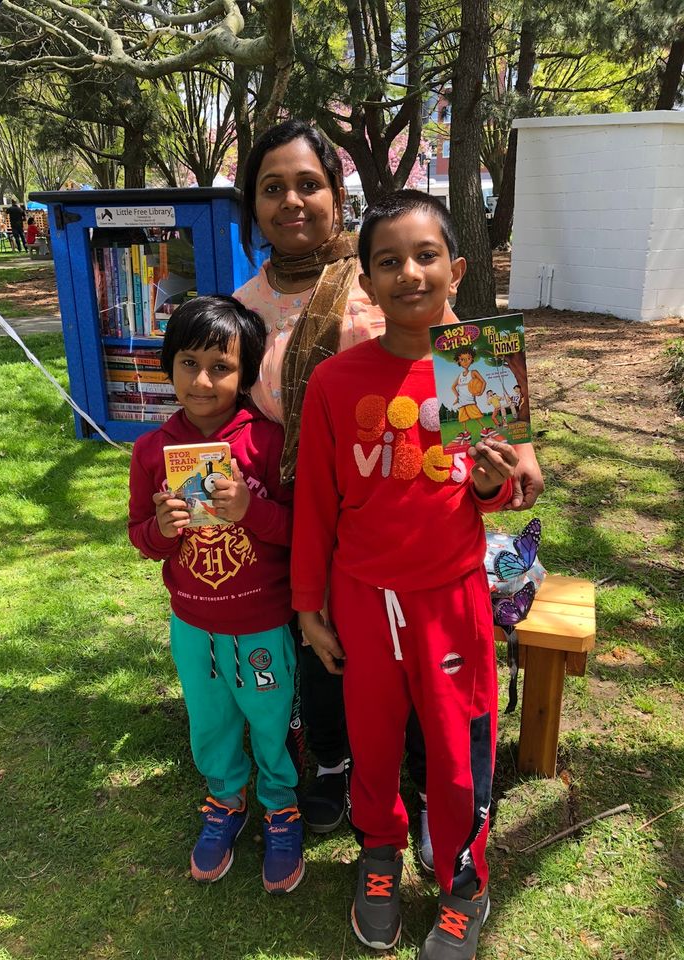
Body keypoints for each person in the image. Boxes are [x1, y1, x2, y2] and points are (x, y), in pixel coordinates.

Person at [292, 190, 519, 959]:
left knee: (458, 758)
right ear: (366, 280)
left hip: (451, 600)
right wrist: (307, 605)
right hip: (359, 599)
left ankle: (465, 882)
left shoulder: (476, 364)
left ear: (456, 270)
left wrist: (494, 482)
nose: (409, 274)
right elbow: (316, 506)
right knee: (374, 742)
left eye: (426, 257)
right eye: (388, 261)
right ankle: (381, 851)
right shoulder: (335, 382)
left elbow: (519, 480)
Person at [233, 119, 431, 854]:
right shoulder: (243, 306)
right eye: (272, 187)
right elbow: (224, 412)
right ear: (252, 205)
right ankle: (332, 758)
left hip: (401, 504)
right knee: (315, 640)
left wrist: (505, 456)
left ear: (336, 193)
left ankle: (416, 765)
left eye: (307, 183)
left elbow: (468, 372)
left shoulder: (386, 273)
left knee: (403, 644)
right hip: (292, 511)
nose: (292, 201)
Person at [128, 295, 305, 894]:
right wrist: (162, 529)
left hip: (260, 624)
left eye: (221, 366)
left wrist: (251, 510)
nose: (202, 380)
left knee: (270, 717)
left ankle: (281, 806)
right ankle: (225, 800)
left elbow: (301, 531)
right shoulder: (152, 452)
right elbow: (141, 540)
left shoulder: (268, 442)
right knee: (210, 721)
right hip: (193, 627)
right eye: (187, 362)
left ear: (247, 373)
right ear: (167, 365)